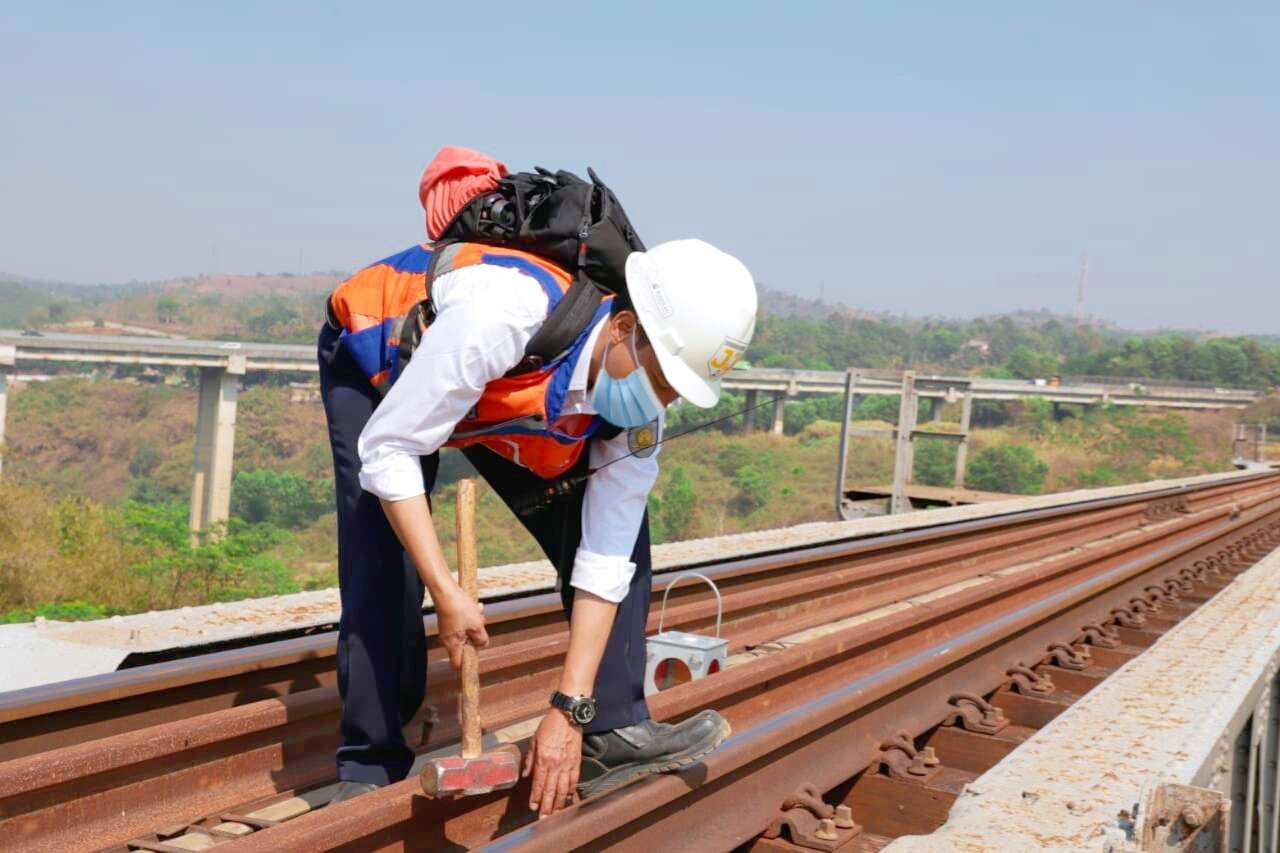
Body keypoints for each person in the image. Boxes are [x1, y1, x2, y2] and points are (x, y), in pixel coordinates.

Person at [319, 146, 758, 817]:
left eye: (677, 392)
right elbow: (390, 450)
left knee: (621, 540)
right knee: (386, 549)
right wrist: (446, 589)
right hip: (381, 360)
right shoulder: (505, 312)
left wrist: (568, 707)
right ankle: (371, 760)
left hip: (497, 397)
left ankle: (610, 728)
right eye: (661, 378)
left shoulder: (630, 413)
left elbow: (604, 560)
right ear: (625, 327)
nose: (660, 402)